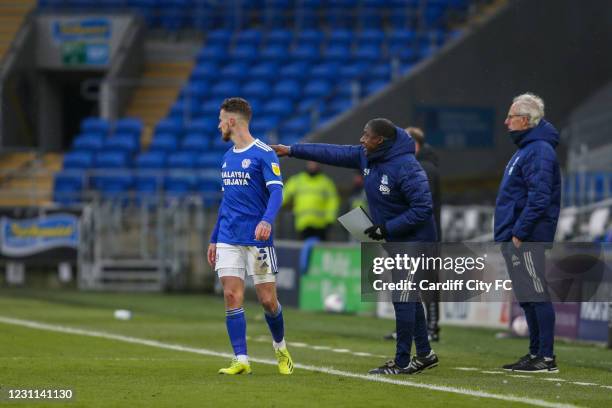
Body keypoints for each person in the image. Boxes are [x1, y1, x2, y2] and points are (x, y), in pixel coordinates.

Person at [272, 118, 439, 375]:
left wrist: (387, 228)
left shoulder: (407, 167)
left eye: (366, 136)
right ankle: (425, 354)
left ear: (380, 141)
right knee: (409, 297)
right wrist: (292, 150)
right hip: (395, 240)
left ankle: (403, 361)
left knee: (402, 297)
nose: (361, 140)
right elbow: (333, 152)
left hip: (416, 240)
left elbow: (423, 209)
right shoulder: (367, 156)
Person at [207, 97, 294, 375]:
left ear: (232, 121)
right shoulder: (227, 157)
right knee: (232, 295)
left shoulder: (263, 152)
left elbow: (277, 191)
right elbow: (227, 202)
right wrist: (213, 237)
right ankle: (241, 359)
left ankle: (280, 348)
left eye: (221, 120)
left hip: (257, 238)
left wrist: (267, 220)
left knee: (268, 301)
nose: (219, 125)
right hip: (228, 237)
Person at [495, 93, 561, 373]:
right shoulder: (526, 149)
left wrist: (520, 232)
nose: (506, 121)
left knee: (536, 293)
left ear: (525, 120)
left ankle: (545, 357)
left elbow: (539, 196)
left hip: (527, 236)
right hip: (517, 235)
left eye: (511, 117)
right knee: (527, 296)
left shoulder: (539, 150)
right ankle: (535, 352)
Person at [384, 126, 442, 342]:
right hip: (418, 235)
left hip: (421, 236)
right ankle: (420, 329)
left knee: (421, 284)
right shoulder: (422, 166)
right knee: (416, 285)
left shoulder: (422, 168)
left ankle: (431, 328)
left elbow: (420, 207)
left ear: (414, 145)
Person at [283, 161, 340, 241]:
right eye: (311, 163)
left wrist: (330, 220)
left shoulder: (326, 183)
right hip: (302, 225)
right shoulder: (297, 180)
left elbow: (333, 203)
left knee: (318, 251)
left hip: (321, 226)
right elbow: (283, 196)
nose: (313, 165)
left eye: (315, 163)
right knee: (302, 250)